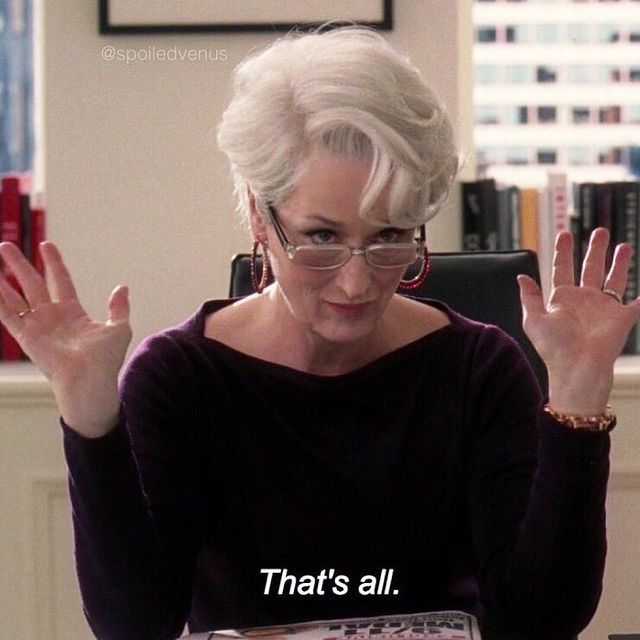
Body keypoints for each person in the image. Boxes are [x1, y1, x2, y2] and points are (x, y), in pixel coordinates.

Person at [0, 26, 637, 640]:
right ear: (258, 211)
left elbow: (540, 623)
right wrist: (89, 422)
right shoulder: (178, 379)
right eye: (322, 237)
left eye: (389, 237)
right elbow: (135, 625)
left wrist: (577, 403)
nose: (356, 283)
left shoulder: (480, 369)